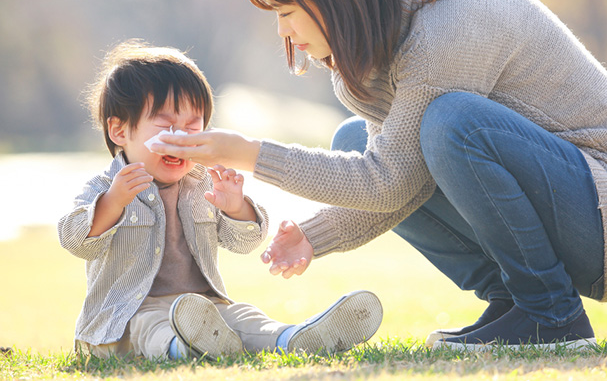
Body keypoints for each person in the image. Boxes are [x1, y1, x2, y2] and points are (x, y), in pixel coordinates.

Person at [152, 0, 607, 351]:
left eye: (286, 11)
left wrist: (244, 152)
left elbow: (388, 180)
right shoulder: (371, 55)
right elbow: (403, 178)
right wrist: (318, 234)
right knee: (357, 141)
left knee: (452, 122)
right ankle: (516, 302)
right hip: (581, 219)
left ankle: (551, 314)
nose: (284, 31)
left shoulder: (443, 28)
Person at [57, 40, 382, 360]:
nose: (181, 136)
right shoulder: (105, 188)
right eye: (166, 125)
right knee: (152, 325)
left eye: (192, 125)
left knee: (242, 316)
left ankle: (292, 338)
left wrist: (235, 207)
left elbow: (244, 242)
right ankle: (183, 349)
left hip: (204, 307)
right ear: (119, 131)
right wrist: (113, 203)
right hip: (127, 317)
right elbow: (74, 240)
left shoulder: (203, 183)